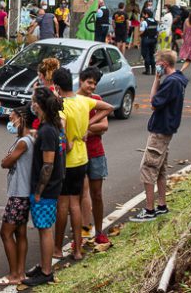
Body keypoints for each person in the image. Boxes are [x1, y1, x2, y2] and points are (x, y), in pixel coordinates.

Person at [52, 67, 112, 260]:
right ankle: (77, 250)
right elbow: (108, 108)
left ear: (57, 87)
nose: (92, 86)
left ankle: (58, 249)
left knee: (63, 205)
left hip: (68, 160)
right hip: (82, 158)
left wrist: (64, 141)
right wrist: (86, 125)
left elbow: (60, 127)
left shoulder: (62, 105)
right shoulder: (84, 101)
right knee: (75, 204)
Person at [131, 50, 187, 222]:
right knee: (160, 168)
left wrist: (156, 79)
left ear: (163, 64)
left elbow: (154, 102)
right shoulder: (179, 79)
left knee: (148, 167)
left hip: (160, 130)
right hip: (167, 129)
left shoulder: (170, 83)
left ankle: (149, 209)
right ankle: (162, 204)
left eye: (157, 63)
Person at [22, 89, 66, 287]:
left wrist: (39, 191)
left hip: (46, 191)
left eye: (33, 101)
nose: (31, 104)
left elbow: (48, 165)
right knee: (43, 229)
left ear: (38, 105)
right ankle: (43, 265)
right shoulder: (50, 127)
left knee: (44, 230)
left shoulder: (48, 130)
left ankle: (46, 272)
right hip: (50, 188)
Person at [0, 104, 35, 287]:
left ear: (22, 119)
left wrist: (6, 160)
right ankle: (20, 272)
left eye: (12, 119)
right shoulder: (26, 139)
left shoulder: (24, 142)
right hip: (23, 192)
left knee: (6, 232)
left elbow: (7, 162)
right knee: (20, 232)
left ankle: (14, 274)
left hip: (19, 194)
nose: (11, 123)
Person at [77, 67, 114, 247]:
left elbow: (104, 126)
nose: (92, 86)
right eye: (89, 82)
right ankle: (82, 234)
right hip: (76, 154)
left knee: (97, 194)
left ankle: (99, 231)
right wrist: (91, 128)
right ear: (81, 81)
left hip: (96, 153)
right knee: (78, 197)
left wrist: (85, 128)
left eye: (94, 84)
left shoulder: (97, 101)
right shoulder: (72, 100)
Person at [138, 9, 159, 75]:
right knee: (151, 54)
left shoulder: (144, 22)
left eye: (144, 14)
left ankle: (147, 70)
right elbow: (158, 31)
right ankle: (153, 70)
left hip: (146, 39)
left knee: (145, 54)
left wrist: (139, 36)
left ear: (146, 15)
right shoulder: (156, 22)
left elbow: (142, 31)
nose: (143, 15)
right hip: (153, 39)